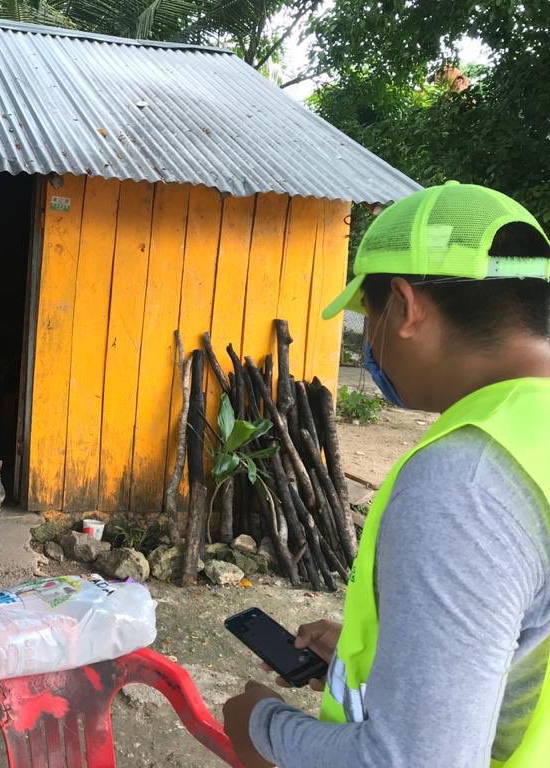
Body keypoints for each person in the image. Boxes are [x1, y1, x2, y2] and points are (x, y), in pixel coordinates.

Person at [222, 182, 550, 767]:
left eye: (368, 315)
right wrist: (385, 658)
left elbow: (420, 760)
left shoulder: (468, 478)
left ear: (404, 305)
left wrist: (262, 730)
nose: (369, 344)